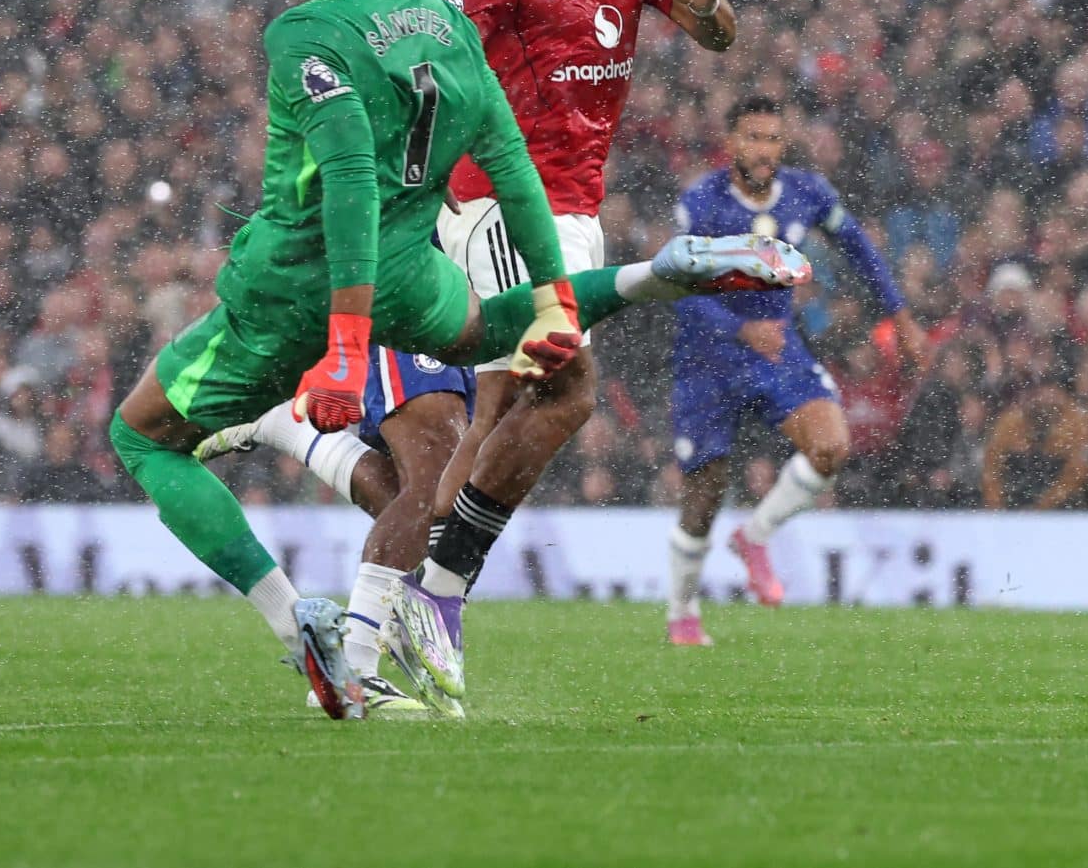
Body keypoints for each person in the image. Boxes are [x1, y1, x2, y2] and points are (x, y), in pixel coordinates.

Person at [106, 0, 588, 720]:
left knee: (141, 434)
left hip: (302, 289)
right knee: (459, 392)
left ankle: (305, 627)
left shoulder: (304, 32)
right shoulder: (442, 20)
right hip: (414, 277)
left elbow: (353, 175)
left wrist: (343, 348)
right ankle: (658, 276)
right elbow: (512, 162)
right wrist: (554, 295)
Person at [390, 0, 741, 683]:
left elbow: (715, 36)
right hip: (502, 206)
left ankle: (398, 608)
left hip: (575, 212)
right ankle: (436, 595)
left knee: (500, 412)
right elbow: (421, 85)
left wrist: (706, 12)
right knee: (569, 387)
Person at [194, 233, 808, 714]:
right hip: (416, 281)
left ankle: (289, 428)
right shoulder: (461, 130)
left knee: (432, 499)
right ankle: (353, 667)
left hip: (480, 294)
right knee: (433, 479)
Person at [660, 96, 927, 646]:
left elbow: (860, 250)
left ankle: (755, 536)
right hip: (708, 359)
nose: (765, 150)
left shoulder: (808, 194)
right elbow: (677, 288)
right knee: (705, 493)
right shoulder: (702, 203)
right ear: (731, 143)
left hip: (777, 351)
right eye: (753, 138)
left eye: (773, 139)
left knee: (831, 446)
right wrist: (739, 328)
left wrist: (900, 317)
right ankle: (682, 611)